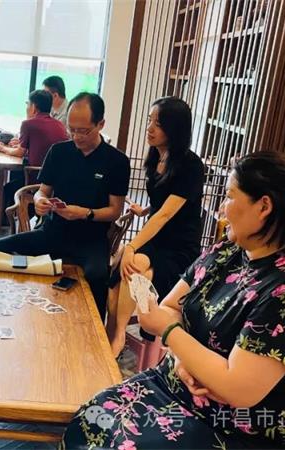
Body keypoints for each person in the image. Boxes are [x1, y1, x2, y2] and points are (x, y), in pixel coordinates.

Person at [63, 152, 285, 450]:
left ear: (264, 206)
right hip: (182, 387)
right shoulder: (229, 250)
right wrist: (184, 362)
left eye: (230, 196)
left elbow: (238, 389)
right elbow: (171, 306)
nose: (222, 207)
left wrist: (169, 332)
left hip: (251, 427)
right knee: (91, 419)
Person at [0, 93, 130, 319]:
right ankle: (4, 310)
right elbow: (42, 191)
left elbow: (114, 210)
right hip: (52, 232)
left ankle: (95, 332)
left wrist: (86, 213)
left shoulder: (117, 161)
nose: (76, 136)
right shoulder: (59, 151)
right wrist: (39, 202)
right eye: (71, 129)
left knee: (97, 276)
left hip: (91, 240)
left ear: (101, 124)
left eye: (84, 131)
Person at [107, 97, 205, 362]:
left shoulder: (191, 166)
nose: (150, 128)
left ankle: (124, 334)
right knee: (122, 271)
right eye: (150, 121)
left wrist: (131, 246)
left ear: (175, 128)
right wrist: (145, 211)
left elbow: (166, 215)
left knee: (133, 266)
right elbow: (162, 203)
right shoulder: (156, 157)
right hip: (158, 238)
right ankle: (114, 332)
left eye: (158, 124)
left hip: (179, 245)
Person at [0, 89, 69, 218]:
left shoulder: (28, 124)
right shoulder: (59, 125)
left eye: (27, 104)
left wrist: (2, 148)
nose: (27, 108)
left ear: (34, 107)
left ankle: (3, 220)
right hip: (56, 180)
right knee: (15, 174)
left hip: (37, 178)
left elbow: (19, 152)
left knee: (7, 188)